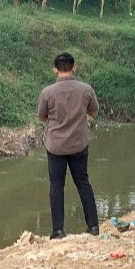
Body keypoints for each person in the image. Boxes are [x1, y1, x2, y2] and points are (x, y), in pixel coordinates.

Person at [36, 53, 100, 240]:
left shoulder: (47, 92)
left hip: (55, 146)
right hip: (79, 144)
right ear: (74, 68)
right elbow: (94, 112)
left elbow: (42, 116)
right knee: (83, 183)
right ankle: (93, 226)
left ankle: (58, 230)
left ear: (55, 69)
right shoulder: (86, 89)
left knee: (56, 186)